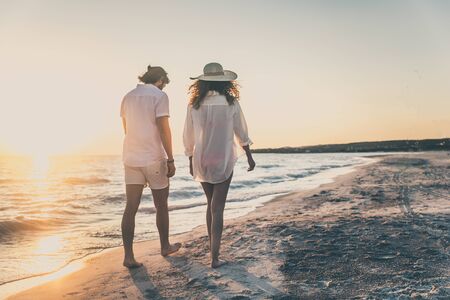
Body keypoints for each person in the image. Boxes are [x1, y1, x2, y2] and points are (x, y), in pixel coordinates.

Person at [183, 62, 256, 268]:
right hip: (223, 157)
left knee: (210, 204)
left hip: (202, 158)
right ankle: (214, 258)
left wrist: (190, 159)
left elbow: (188, 135)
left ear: (202, 82)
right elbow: (241, 132)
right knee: (218, 208)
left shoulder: (194, 105)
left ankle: (212, 251)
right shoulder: (231, 103)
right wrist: (249, 156)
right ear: (225, 82)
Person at [120, 65, 181, 268]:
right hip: (153, 157)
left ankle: (128, 257)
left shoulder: (127, 96)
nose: (164, 87)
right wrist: (170, 159)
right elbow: (164, 128)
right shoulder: (159, 96)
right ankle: (165, 246)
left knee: (131, 208)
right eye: (164, 83)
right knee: (161, 205)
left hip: (131, 158)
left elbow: (126, 129)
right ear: (161, 80)